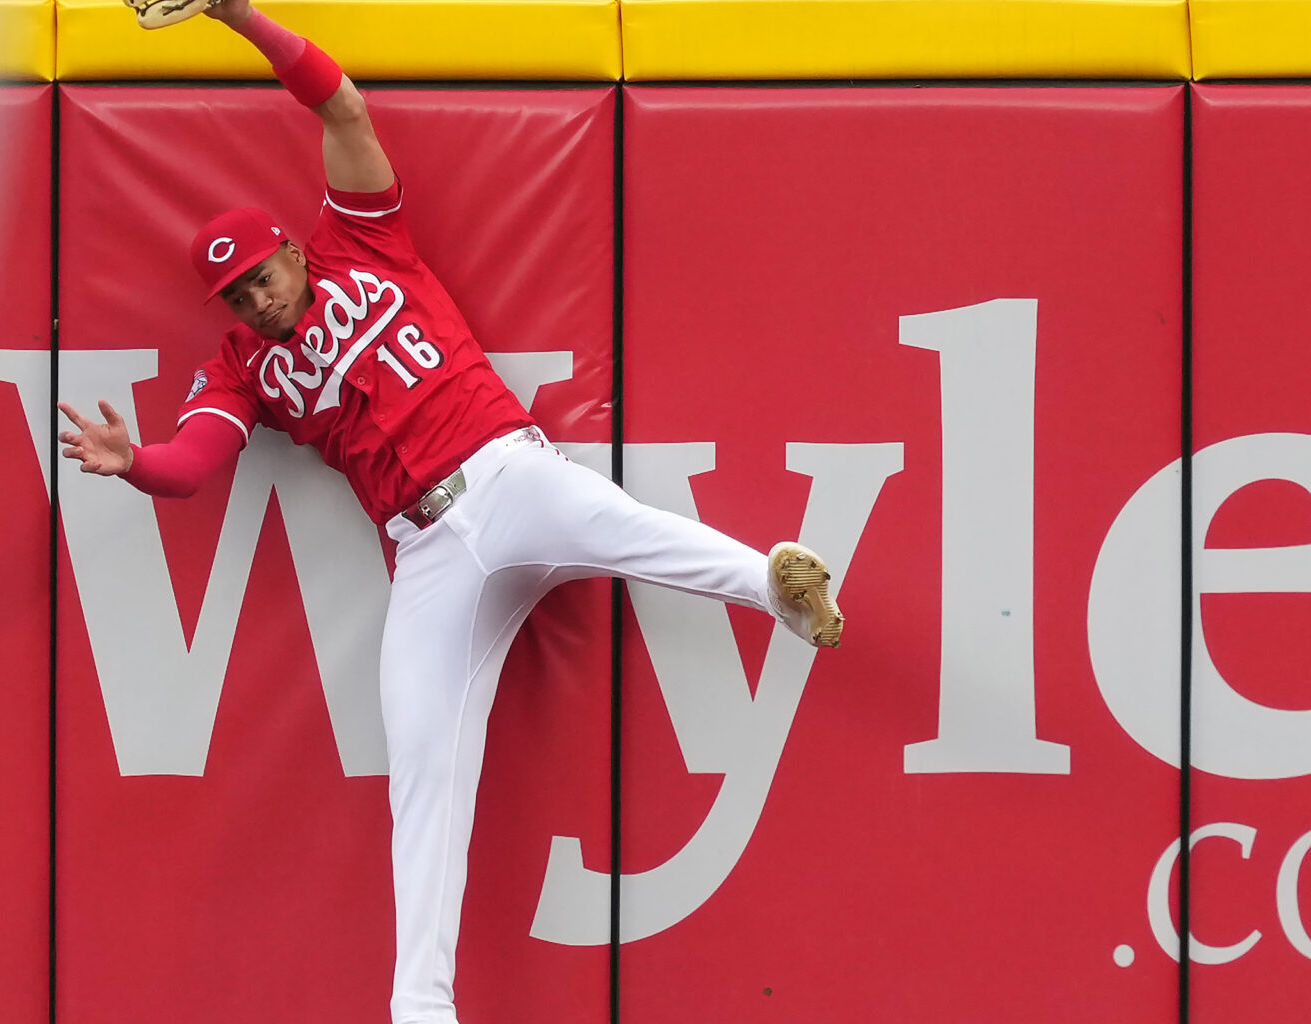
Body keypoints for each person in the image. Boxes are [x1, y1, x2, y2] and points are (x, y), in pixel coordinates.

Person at [57, 2, 845, 1020]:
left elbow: (338, 104)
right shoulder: (240, 369)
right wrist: (133, 463)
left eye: (261, 275)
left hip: (507, 472)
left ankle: (772, 581)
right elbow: (193, 462)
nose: (254, 301)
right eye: (236, 297)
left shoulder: (361, 239)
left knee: (624, 526)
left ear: (292, 251)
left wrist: (233, 13)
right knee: (424, 762)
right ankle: (421, 1006)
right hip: (426, 553)